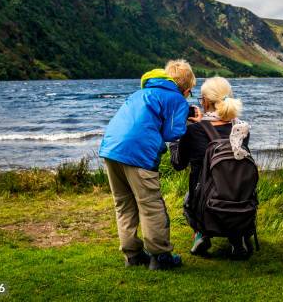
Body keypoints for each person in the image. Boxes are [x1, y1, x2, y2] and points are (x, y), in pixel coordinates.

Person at [99, 59, 196, 270]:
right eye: (190, 93)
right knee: (151, 205)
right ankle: (160, 257)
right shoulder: (177, 99)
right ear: (187, 89)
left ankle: (132, 255)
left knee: (124, 204)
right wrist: (187, 119)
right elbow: (173, 133)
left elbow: (150, 117)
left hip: (111, 149)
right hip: (139, 154)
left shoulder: (140, 93)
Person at [170, 76, 253, 258]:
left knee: (188, 199)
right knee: (229, 189)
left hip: (205, 204)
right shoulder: (241, 129)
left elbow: (178, 164)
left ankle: (201, 234)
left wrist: (178, 136)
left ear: (205, 102)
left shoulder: (194, 130)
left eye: (201, 99)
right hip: (240, 199)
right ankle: (236, 239)